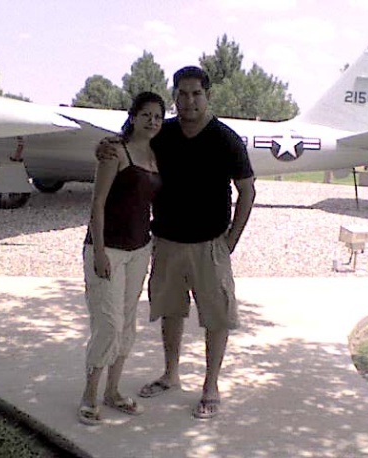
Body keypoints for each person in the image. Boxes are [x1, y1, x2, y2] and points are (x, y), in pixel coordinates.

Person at [99, 66, 256, 419]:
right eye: (182, 94)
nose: (188, 101)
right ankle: (170, 374)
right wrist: (106, 145)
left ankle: (210, 386)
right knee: (171, 311)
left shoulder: (225, 139)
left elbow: (247, 190)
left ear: (207, 96)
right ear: (174, 97)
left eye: (196, 94)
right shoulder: (162, 134)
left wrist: (231, 239)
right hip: (166, 241)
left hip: (211, 244)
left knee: (216, 317)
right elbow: (128, 146)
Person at [79, 91, 165, 425]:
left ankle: (113, 391)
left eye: (158, 116)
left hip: (139, 249)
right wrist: (98, 251)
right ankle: (89, 394)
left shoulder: (157, 154)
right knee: (108, 324)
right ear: (133, 116)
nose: (153, 122)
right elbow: (97, 203)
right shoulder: (114, 150)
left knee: (127, 322)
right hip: (108, 250)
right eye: (146, 115)